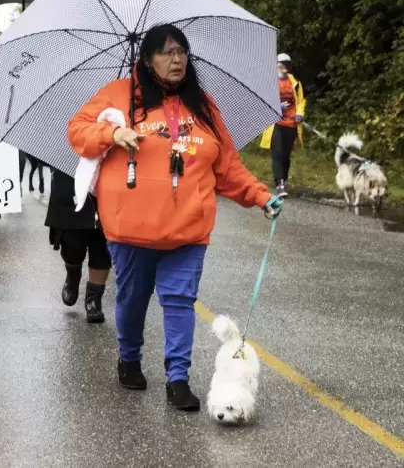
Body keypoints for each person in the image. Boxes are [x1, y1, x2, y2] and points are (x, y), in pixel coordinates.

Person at [68, 23, 283, 412]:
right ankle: (129, 357)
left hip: (188, 228)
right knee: (133, 299)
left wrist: (261, 196)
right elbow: (78, 130)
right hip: (130, 228)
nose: (176, 59)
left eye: (181, 51)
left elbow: (227, 166)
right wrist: (112, 134)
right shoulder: (118, 94)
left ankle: (177, 378)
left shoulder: (203, 104)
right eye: (166, 52)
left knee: (180, 300)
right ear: (147, 59)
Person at [45, 170, 108, 323]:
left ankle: (94, 299)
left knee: (102, 244)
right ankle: (73, 275)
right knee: (72, 243)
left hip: (107, 177)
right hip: (69, 180)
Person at [260, 53, 306, 198]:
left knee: (286, 155)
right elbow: (263, 101)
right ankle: (279, 184)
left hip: (291, 123)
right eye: (282, 64)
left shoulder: (295, 83)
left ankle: (284, 180)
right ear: (277, 65)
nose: (284, 67)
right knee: (278, 153)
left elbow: (301, 101)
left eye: (287, 65)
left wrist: (300, 113)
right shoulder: (270, 82)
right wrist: (276, 106)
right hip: (276, 123)